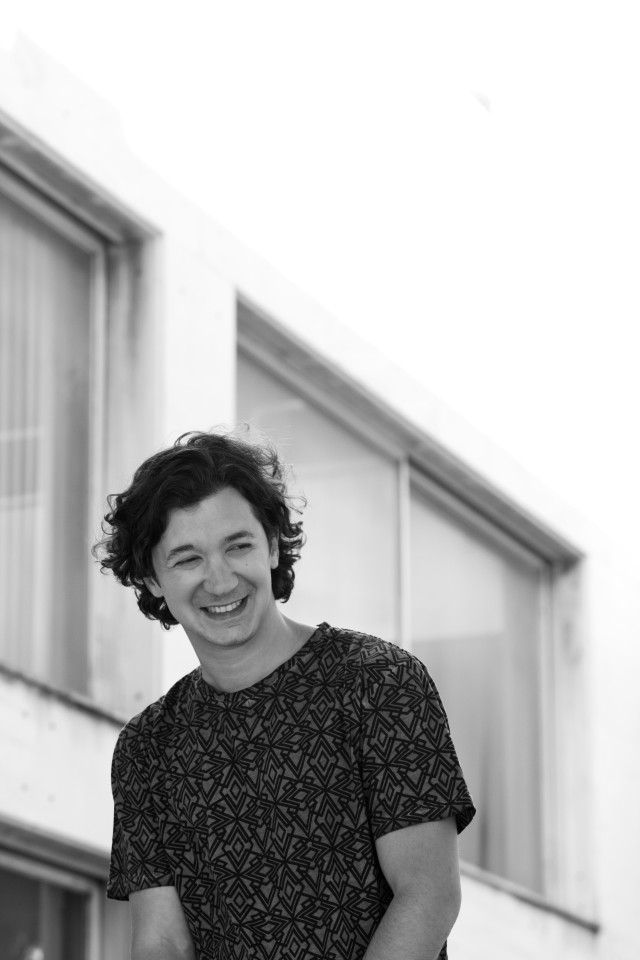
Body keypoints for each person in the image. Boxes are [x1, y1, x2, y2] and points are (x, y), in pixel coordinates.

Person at [95, 429, 475, 960]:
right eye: (187, 559)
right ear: (153, 579)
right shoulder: (147, 748)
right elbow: (162, 943)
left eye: (238, 546)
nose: (220, 581)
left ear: (272, 546)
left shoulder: (377, 681)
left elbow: (429, 895)